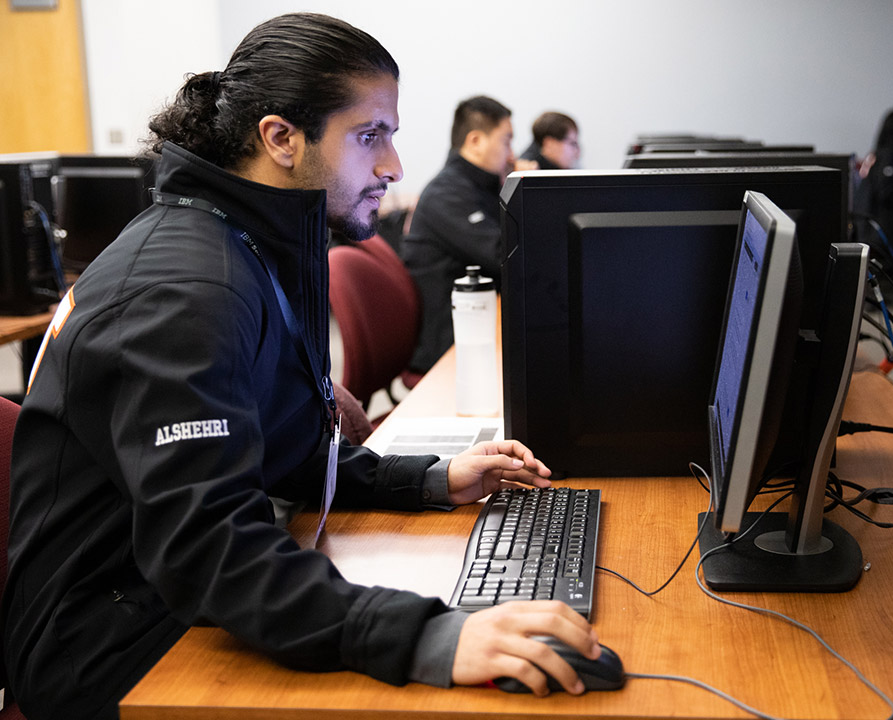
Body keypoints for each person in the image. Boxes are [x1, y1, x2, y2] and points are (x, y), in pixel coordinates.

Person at [1, 14, 601, 720]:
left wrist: (429, 478)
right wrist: (431, 633)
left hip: (168, 600)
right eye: (370, 135)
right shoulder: (184, 291)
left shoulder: (252, 240)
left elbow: (279, 448)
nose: (394, 168)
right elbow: (209, 551)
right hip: (111, 656)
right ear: (281, 138)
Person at [402, 96, 526, 374]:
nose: (511, 153)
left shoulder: (478, 186)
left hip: (476, 326)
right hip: (451, 345)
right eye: (506, 140)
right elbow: (504, 254)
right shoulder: (447, 193)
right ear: (475, 141)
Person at [852, 107, 893, 261]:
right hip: (881, 229)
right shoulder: (890, 155)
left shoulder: (881, 153)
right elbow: (888, 192)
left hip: (875, 226)